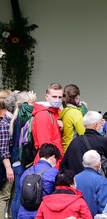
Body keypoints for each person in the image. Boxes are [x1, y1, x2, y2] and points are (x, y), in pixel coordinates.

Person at [5, 91, 36, 219]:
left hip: (16, 161)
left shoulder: (15, 118)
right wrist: (31, 103)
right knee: (19, 193)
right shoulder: (22, 117)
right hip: (22, 161)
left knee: (17, 193)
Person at [61, 111, 107, 177]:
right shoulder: (102, 141)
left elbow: (64, 164)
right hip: (95, 181)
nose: (102, 127)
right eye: (101, 125)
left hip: (75, 182)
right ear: (96, 125)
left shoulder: (74, 141)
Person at [16, 143, 61, 219]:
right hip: (42, 214)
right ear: (53, 157)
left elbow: (20, 195)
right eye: (56, 160)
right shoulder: (55, 173)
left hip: (23, 214)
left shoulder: (26, 172)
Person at [32, 83, 64, 168]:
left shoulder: (54, 113)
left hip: (53, 160)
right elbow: (45, 146)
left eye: (60, 97)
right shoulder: (43, 115)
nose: (57, 100)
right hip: (49, 162)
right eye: (54, 97)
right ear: (47, 96)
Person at [75, 150, 107, 216]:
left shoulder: (74, 178)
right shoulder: (101, 181)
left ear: (83, 163)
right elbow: (104, 206)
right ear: (99, 164)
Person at [59, 84, 86, 152]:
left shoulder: (64, 111)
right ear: (77, 97)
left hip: (65, 148)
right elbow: (83, 133)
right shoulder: (75, 113)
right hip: (73, 150)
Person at [0, 90, 13, 218]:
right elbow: (4, 148)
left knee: (11, 195)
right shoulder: (4, 123)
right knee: (5, 195)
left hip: (9, 163)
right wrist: (9, 168)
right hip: (5, 164)